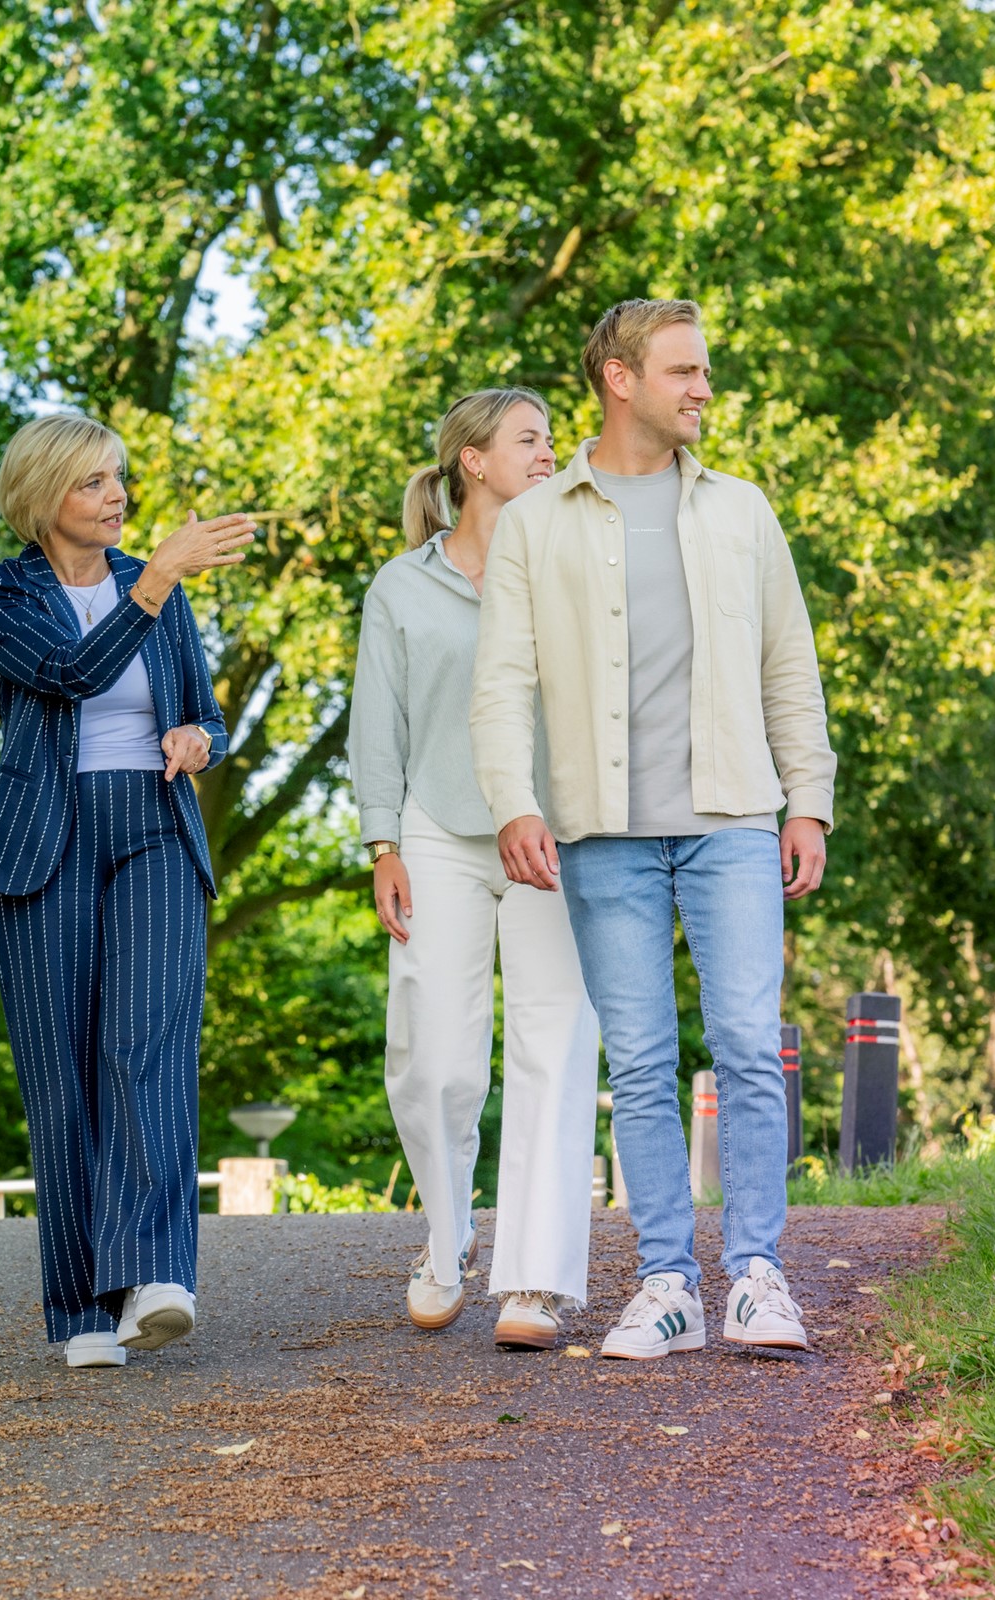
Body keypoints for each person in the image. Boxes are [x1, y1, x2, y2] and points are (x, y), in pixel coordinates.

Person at [470, 300, 837, 1360]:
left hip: (729, 817)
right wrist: (512, 800)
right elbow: (501, 684)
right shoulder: (538, 522)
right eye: (683, 371)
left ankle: (756, 1276)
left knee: (748, 1047)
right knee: (637, 1061)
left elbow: (788, 666)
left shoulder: (740, 511)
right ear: (618, 378)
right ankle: (667, 1283)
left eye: (704, 371)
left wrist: (804, 796)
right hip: (600, 831)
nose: (702, 389)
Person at [0, 412, 255, 1369]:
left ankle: (158, 1278)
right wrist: (164, 575)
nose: (118, 496)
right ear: (45, 497)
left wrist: (197, 736)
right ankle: (85, 1307)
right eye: (94, 482)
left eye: (120, 478)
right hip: (47, 839)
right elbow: (70, 675)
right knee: (64, 1080)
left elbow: (201, 705)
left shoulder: (152, 585)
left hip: (156, 826)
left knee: (149, 1047)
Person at [350, 389, 601, 1351]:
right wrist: (382, 846)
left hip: (554, 835)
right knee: (437, 1061)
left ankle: (534, 1278)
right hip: (439, 833)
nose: (549, 454)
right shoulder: (400, 588)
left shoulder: (572, 568)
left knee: (553, 1041)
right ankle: (445, 1237)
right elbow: (379, 726)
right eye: (529, 440)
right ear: (473, 463)